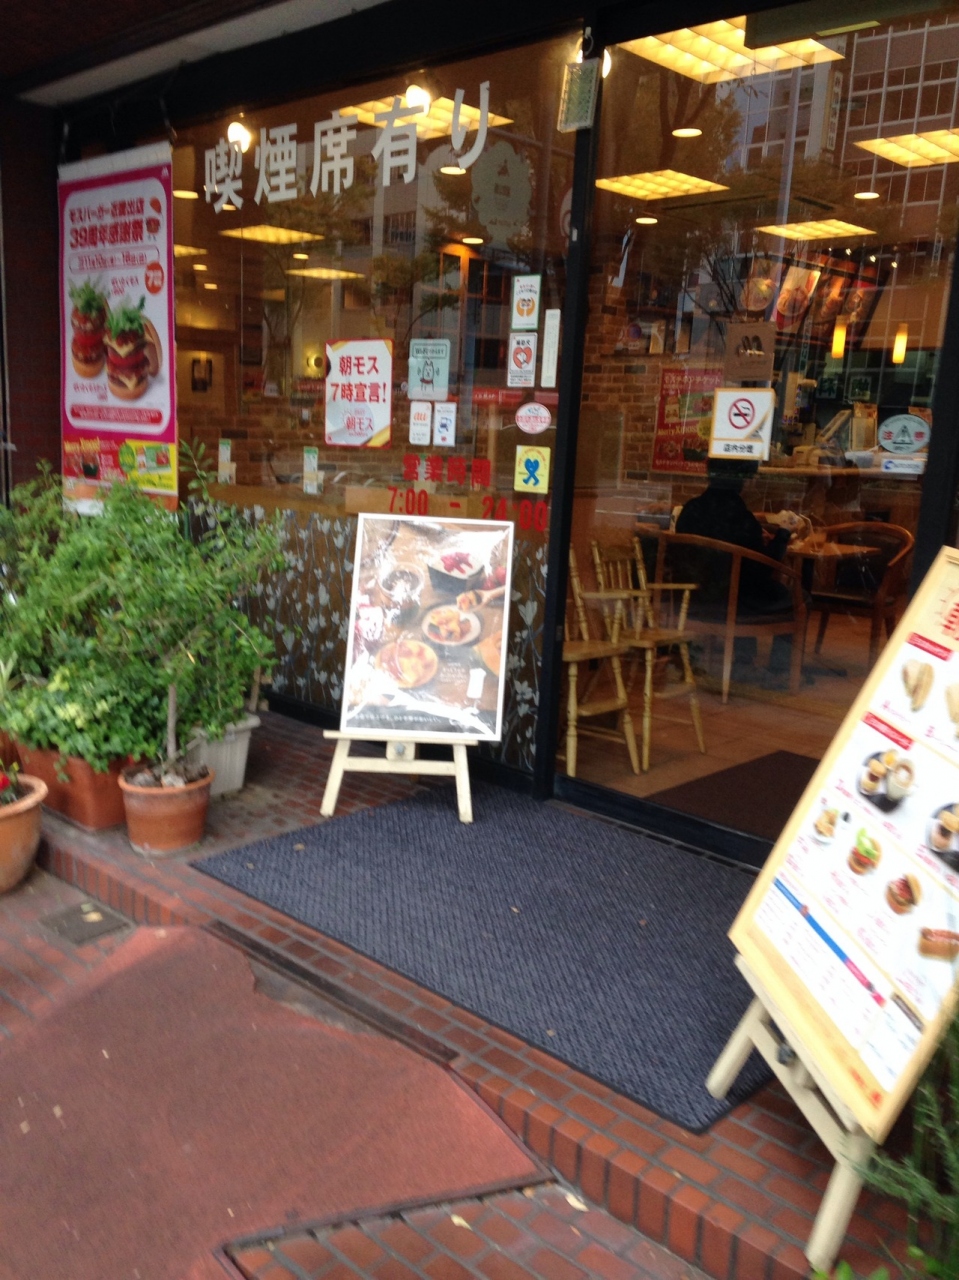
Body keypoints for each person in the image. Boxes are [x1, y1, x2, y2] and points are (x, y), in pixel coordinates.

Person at [675, 458, 797, 683]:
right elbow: (762, 568)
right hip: (732, 602)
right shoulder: (741, 517)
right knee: (793, 598)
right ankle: (777, 672)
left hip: (693, 597)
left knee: (744, 585)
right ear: (744, 481)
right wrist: (783, 533)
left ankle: (743, 661)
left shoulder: (690, 509)